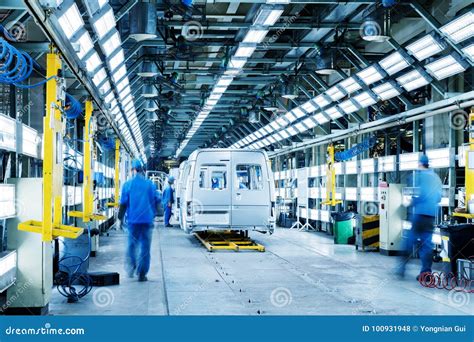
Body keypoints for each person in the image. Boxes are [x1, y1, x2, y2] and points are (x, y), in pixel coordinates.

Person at [396, 154, 442, 281]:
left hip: (420, 215)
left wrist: (411, 202)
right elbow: (438, 197)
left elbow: (423, 195)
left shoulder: (423, 176)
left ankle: (401, 269)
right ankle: (426, 274)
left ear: (420, 164)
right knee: (426, 244)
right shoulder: (436, 178)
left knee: (409, 241)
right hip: (431, 216)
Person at [118, 159, 159, 282]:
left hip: (133, 221)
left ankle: (131, 266)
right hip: (147, 221)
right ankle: (142, 273)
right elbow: (157, 200)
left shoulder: (127, 185)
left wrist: (120, 219)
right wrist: (155, 213)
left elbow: (123, 204)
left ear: (132, 170)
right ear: (142, 170)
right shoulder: (150, 185)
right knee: (145, 248)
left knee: (132, 245)